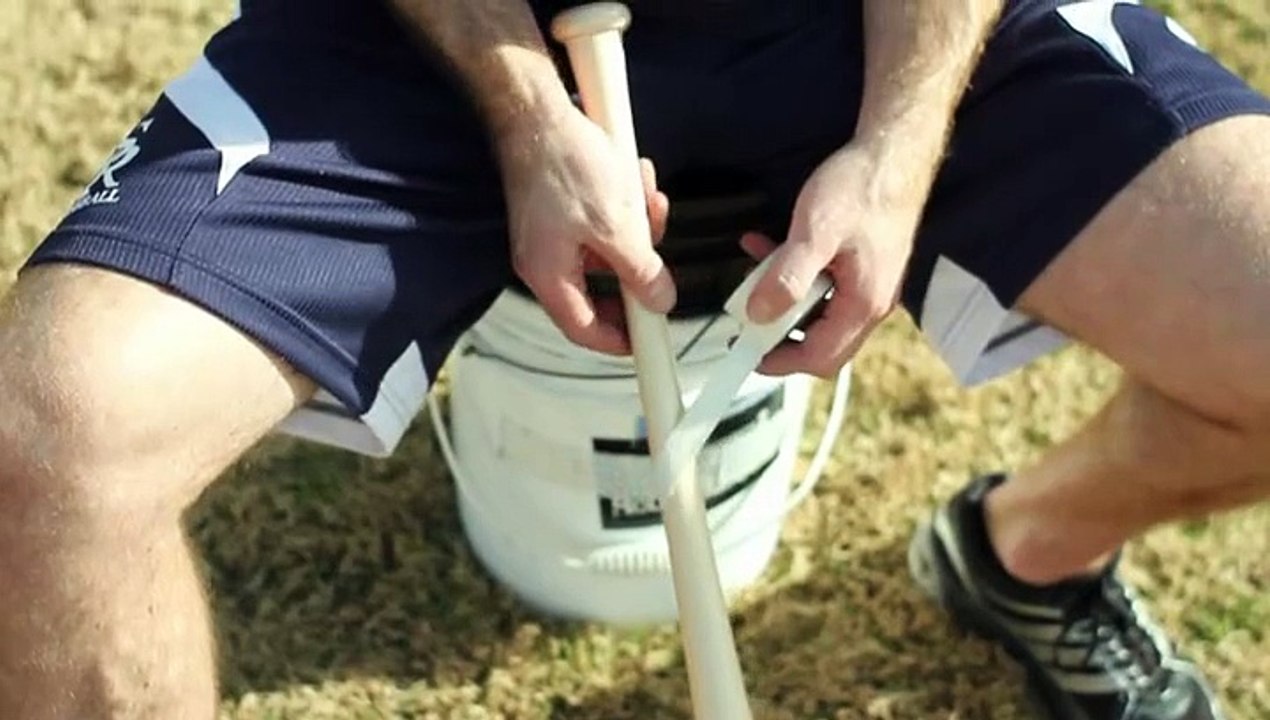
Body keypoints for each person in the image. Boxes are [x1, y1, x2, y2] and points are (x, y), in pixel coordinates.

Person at [0, 0, 1266, 717]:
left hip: (854, 24)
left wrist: (894, 144)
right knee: (47, 447)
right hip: (415, 40)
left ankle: (1022, 556)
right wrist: (527, 115)